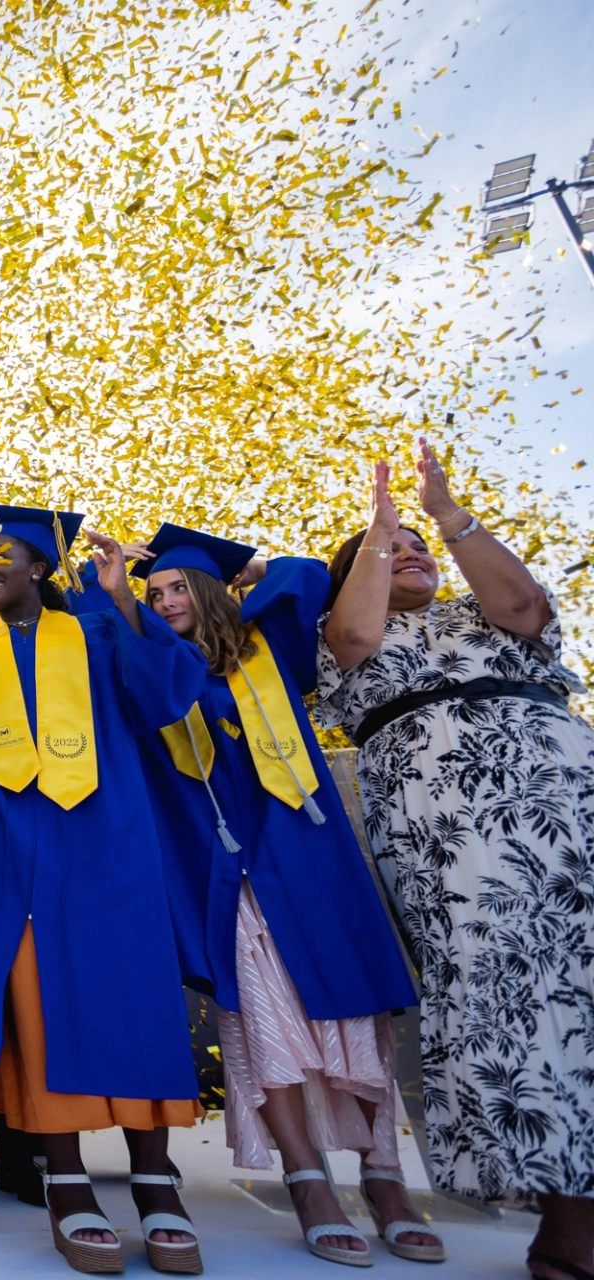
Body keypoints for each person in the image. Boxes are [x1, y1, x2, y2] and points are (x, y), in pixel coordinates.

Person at [0, 505, 207, 1276]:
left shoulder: (94, 630)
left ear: (40, 571)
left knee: (130, 1001)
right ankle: (68, 1180)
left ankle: (155, 1181)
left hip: (106, 848)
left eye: (1, 556)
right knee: (36, 1009)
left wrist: (122, 594)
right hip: (3, 857)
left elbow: (164, 692)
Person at [317, 442, 594, 1280]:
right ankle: (568, 1213)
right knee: (505, 988)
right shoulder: (338, 639)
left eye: (419, 550)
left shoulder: (485, 617)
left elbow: (526, 602)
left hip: (564, 796)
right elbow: (358, 631)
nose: (413, 555)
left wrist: (445, 515)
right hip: (450, 822)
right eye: (393, 549)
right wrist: (381, 530)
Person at [130, 523, 435, 1266]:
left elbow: (303, 576)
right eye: (157, 592)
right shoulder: (158, 670)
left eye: (179, 587)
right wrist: (124, 594)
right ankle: (308, 1181)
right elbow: (130, 668)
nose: (167, 600)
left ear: (210, 591)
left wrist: (242, 567)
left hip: (308, 854)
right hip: (226, 866)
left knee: (351, 1011)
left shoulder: (273, 649)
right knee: (265, 1020)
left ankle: (384, 1177)